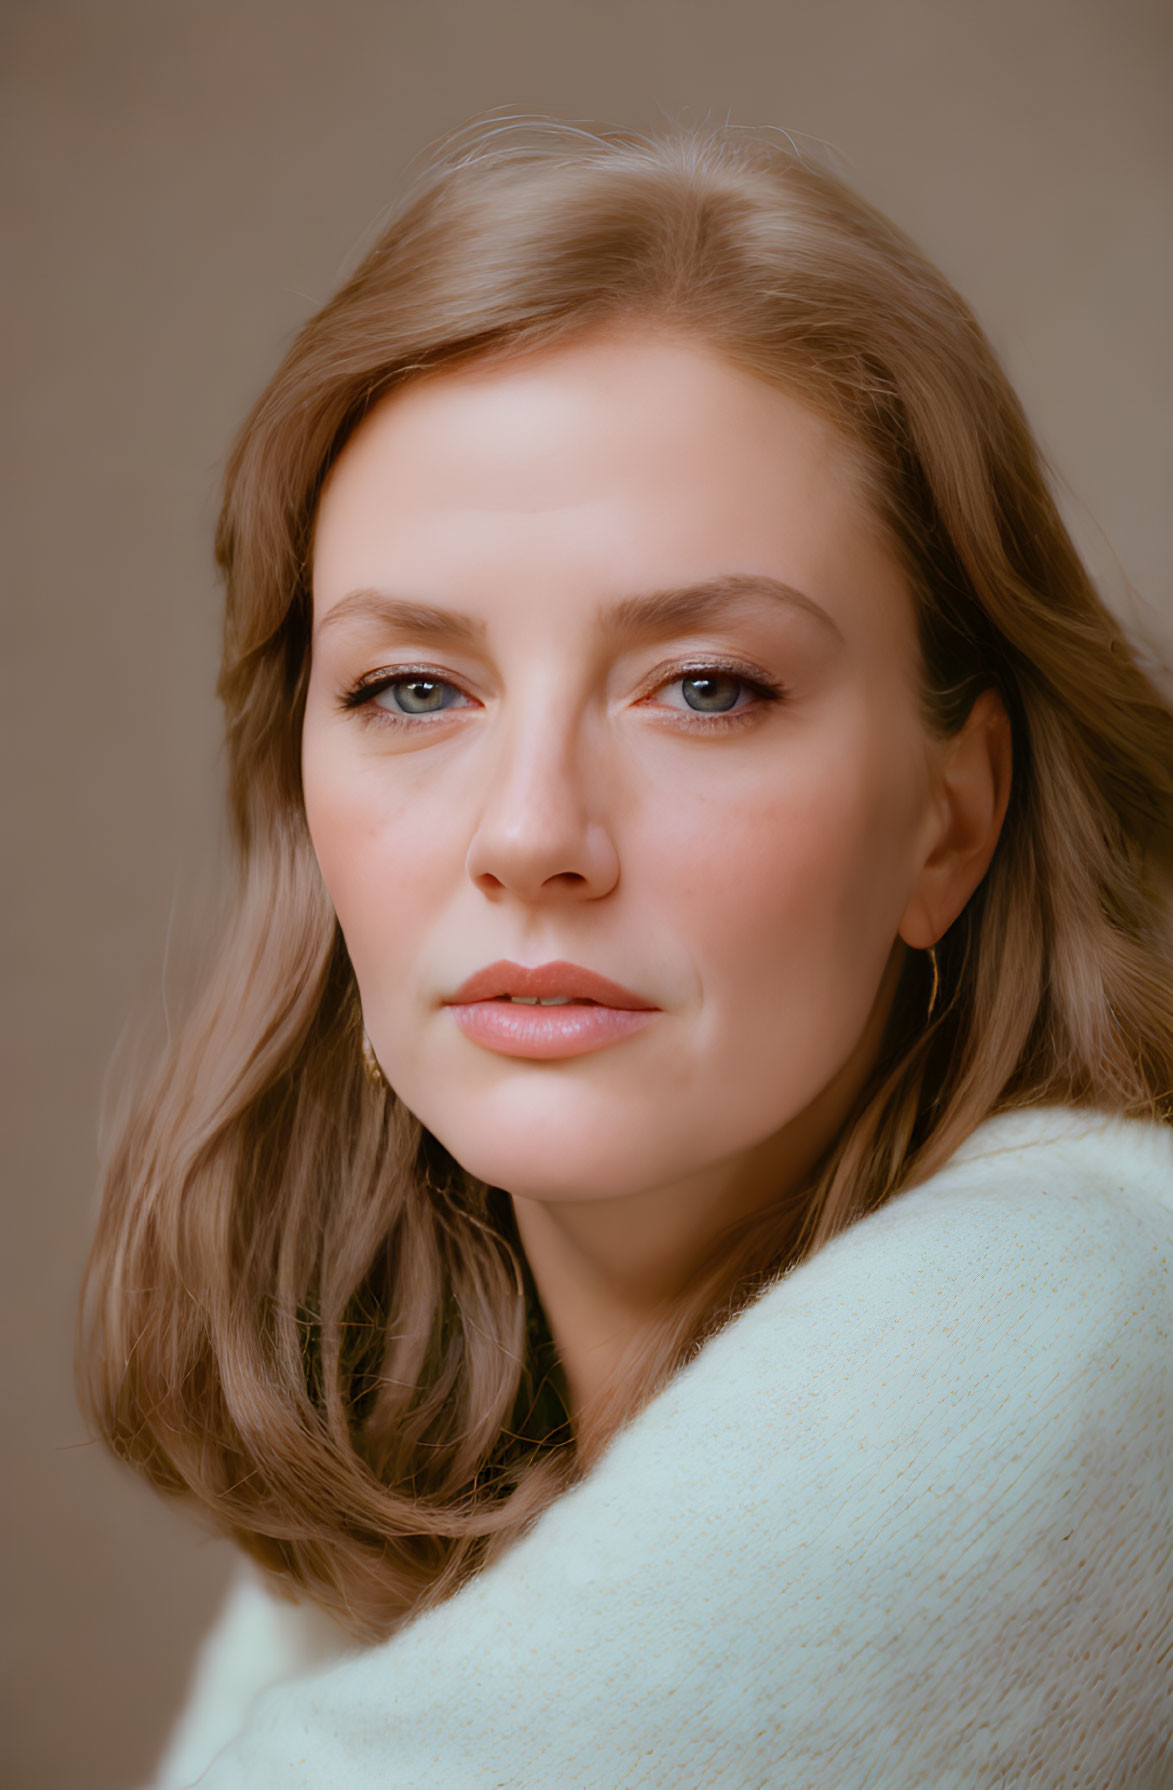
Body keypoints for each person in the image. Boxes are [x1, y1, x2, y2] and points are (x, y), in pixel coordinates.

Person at [79, 114, 1173, 1788]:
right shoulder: (441, 1456)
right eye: (411, 688)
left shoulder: (1101, 1295)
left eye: (706, 686)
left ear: (946, 821)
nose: (529, 834)